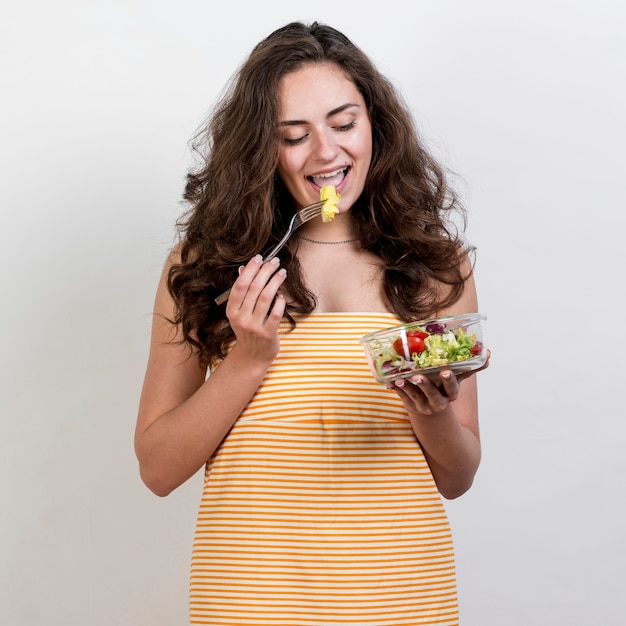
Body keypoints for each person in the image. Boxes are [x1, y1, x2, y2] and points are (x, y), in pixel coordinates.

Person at [135, 20, 490, 626]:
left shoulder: (434, 267)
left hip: (402, 598)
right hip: (248, 600)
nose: (327, 153)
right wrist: (247, 360)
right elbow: (158, 469)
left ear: (376, 123)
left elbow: (456, 477)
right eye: (294, 136)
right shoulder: (203, 266)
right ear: (261, 149)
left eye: (344, 124)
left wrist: (431, 413)